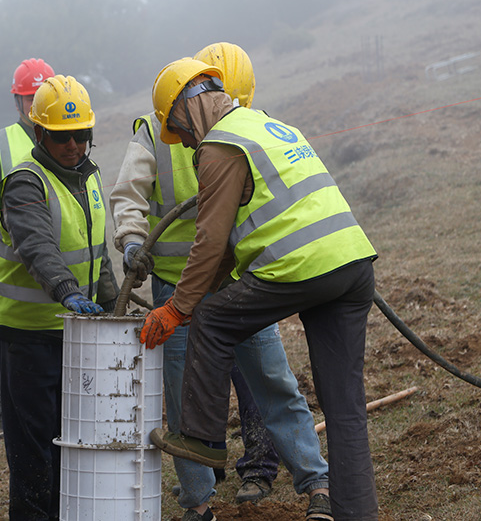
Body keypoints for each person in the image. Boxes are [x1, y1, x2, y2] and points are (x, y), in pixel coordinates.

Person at [142, 56, 379, 521]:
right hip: (352, 266)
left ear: (188, 110)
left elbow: (209, 239)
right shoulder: (268, 125)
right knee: (344, 405)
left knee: (210, 320)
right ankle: (358, 513)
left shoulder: (219, 146)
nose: (186, 142)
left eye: (181, 131)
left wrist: (177, 308)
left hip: (300, 267)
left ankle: (200, 442)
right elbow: (231, 247)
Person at [112, 44, 330, 521]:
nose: (190, 142)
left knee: (273, 379)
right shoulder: (154, 131)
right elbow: (128, 195)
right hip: (174, 288)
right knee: (184, 394)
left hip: (238, 284)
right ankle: (198, 501)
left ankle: (317, 483)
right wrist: (132, 241)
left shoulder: (239, 126)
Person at [0, 75, 119, 520]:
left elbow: (96, 252)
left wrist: (113, 300)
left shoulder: (89, 177)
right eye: (63, 137)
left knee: (72, 444)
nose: (74, 146)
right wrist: (67, 292)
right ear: (39, 133)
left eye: (82, 135)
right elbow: (37, 246)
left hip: (74, 333)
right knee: (33, 452)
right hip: (26, 336)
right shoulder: (26, 181)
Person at [0, 58, 55, 437]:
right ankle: (2, 412)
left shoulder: (65, 133)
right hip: (13, 255)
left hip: (59, 250)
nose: (35, 103)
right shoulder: (2, 142)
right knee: (10, 328)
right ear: (18, 101)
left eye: (42, 95)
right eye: (29, 97)